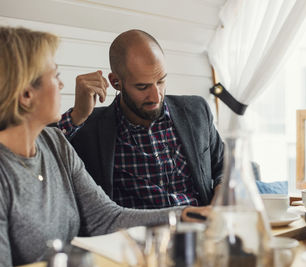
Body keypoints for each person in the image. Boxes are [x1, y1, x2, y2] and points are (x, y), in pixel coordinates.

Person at [0, 26, 208, 266]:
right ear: (26, 95)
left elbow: (106, 217)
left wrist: (185, 214)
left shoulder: (54, 142)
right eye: (55, 75)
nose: (61, 85)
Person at [57, 29, 224, 209]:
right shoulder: (89, 128)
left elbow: (225, 165)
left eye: (160, 81)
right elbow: (39, 156)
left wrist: (219, 201)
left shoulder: (196, 110)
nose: (156, 96)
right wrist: (77, 115)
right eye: (142, 87)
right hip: (135, 232)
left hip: (200, 227)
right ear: (115, 82)